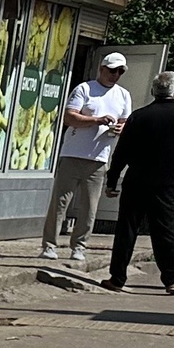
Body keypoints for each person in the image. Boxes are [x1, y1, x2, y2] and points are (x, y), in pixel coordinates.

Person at [101, 69, 174, 294]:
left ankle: (117, 278)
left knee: (127, 229)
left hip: (136, 180)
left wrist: (112, 178)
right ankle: (172, 280)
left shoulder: (139, 116)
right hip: (167, 182)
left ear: (153, 91)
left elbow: (122, 151)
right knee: (165, 231)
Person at [42, 51, 132, 266]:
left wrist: (121, 128)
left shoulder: (123, 95)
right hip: (73, 154)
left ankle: (79, 246)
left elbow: (126, 122)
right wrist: (96, 120)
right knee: (60, 202)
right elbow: (69, 117)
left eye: (120, 72)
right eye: (112, 70)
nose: (115, 75)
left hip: (99, 158)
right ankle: (49, 245)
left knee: (89, 207)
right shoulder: (85, 88)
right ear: (102, 69)